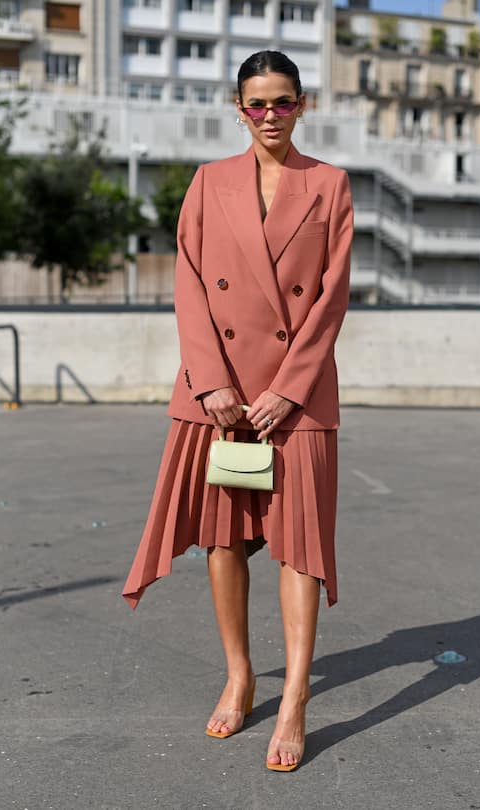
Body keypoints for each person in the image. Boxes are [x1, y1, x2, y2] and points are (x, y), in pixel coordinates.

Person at [122, 49, 354, 772]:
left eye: (283, 102)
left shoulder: (330, 184)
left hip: (298, 390)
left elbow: (330, 297)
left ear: (302, 105)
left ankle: (294, 702)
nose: (269, 116)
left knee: (302, 546)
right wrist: (210, 380)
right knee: (222, 539)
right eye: (257, 104)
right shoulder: (208, 182)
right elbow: (189, 285)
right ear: (238, 106)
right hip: (217, 389)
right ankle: (240, 674)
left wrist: (289, 386)